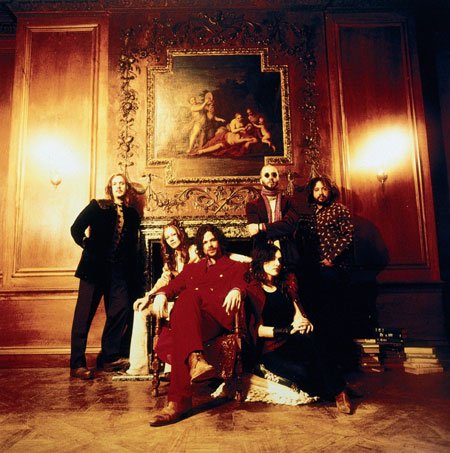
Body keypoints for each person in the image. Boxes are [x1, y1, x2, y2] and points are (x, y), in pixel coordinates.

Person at [146, 224, 249, 426]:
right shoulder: (192, 269)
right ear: (200, 247)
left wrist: (237, 290)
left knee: (188, 296)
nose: (209, 245)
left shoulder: (234, 266)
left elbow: (244, 284)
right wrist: (161, 294)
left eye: (213, 240)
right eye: (205, 242)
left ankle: (178, 402)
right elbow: (172, 286)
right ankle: (193, 364)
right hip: (192, 323)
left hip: (215, 320)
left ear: (219, 241)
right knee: (186, 305)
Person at [246, 242, 353, 414]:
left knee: (316, 339)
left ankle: (340, 393)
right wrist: (288, 329)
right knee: (303, 372)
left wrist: (304, 321)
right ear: (261, 261)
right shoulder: (253, 291)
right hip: (271, 349)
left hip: (291, 340)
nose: (277, 263)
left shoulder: (283, 284)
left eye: (279, 259)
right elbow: (257, 330)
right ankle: (339, 389)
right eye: (272, 259)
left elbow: (297, 311)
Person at [69, 173, 144, 380]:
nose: (118, 187)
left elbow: (132, 247)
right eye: (115, 184)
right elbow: (75, 229)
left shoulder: (132, 214)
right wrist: (88, 246)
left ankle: (110, 357)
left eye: (122, 184)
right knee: (83, 316)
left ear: (126, 188)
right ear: (110, 188)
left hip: (118, 272)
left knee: (120, 309)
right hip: (93, 269)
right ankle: (77, 364)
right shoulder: (97, 206)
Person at [126, 220, 197, 376]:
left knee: (175, 315)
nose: (171, 239)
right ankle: (139, 366)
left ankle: (172, 366)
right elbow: (163, 280)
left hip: (189, 304)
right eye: (167, 237)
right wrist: (148, 297)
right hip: (172, 301)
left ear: (180, 234)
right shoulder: (171, 257)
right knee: (140, 310)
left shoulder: (193, 251)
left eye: (173, 235)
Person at [305, 176, 354, 368]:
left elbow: (348, 236)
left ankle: (340, 363)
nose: (321, 193)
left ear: (330, 191)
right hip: (315, 271)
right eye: (317, 189)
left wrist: (331, 258)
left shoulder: (339, 209)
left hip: (334, 270)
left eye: (324, 189)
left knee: (335, 315)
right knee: (318, 316)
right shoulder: (309, 212)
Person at [246, 164, 300, 272]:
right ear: (261, 180)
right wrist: (280, 227)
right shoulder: (252, 205)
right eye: (267, 175)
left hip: (287, 252)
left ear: (278, 178)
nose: (271, 177)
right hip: (263, 253)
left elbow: (289, 225)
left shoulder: (289, 202)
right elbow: (255, 233)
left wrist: (261, 227)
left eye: (274, 175)